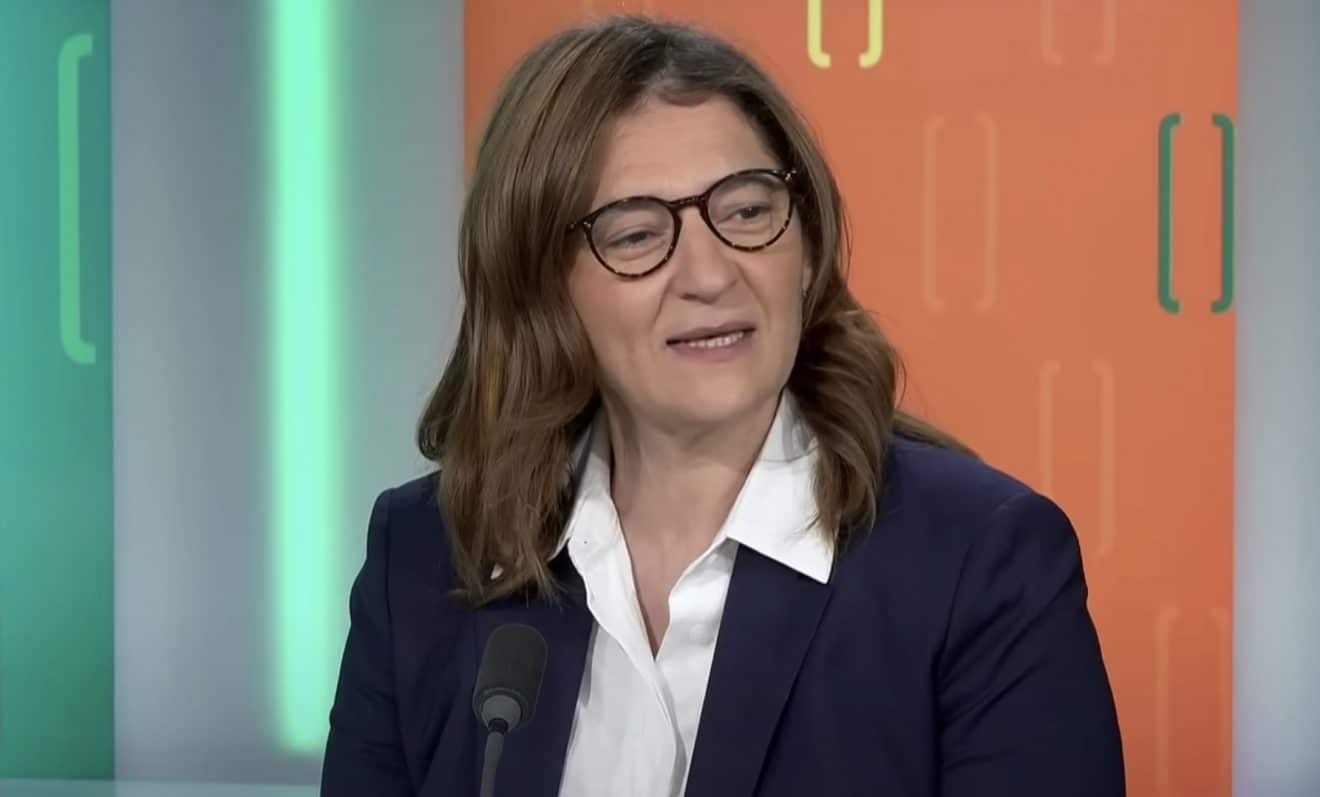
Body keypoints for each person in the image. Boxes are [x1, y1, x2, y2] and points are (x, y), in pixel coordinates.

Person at [321, 15, 1124, 797]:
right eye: (636, 235)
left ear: (806, 250)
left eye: (746, 211)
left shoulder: (979, 567)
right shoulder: (425, 558)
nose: (710, 274)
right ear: (542, 291)